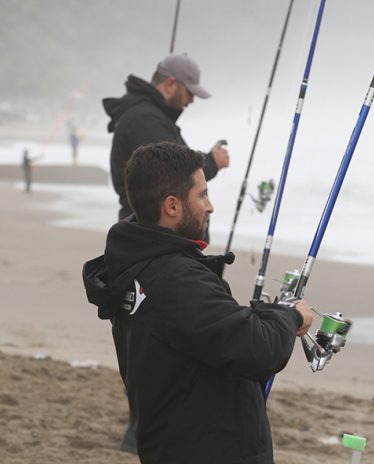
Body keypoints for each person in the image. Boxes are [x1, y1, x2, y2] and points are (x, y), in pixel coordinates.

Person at [82, 142, 313, 463]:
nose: (210, 206)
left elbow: (207, 332)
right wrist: (290, 318)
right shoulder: (176, 280)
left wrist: (262, 314)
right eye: (202, 195)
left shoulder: (136, 267)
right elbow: (258, 350)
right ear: (172, 206)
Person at [103, 53, 230, 221]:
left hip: (152, 234)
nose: (192, 100)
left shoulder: (152, 116)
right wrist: (212, 162)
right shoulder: (145, 120)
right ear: (170, 84)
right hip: (150, 235)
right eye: (189, 92)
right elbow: (175, 172)